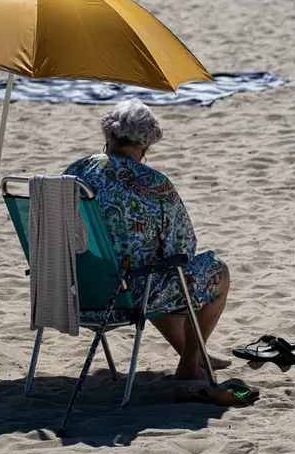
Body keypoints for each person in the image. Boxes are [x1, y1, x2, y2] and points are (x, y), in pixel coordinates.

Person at [64, 100, 230, 380]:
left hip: (70, 290)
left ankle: (198, 352)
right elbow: (183, 248)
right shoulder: (154, 183)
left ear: (109, 136)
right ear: (146, 144)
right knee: (214, 271)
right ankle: (189, 367)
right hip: (126, 295)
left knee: (149, 271)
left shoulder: (76, 172)